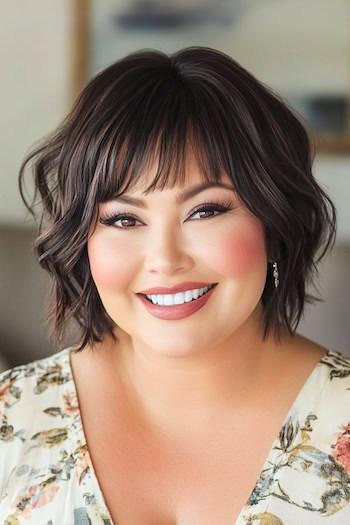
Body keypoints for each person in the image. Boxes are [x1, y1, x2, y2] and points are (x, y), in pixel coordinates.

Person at [0, 46, 349, 524]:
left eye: (205, 211)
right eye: (123, 218)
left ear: (274, 222)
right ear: (82, 241)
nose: (165, 260)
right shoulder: (10, 419)